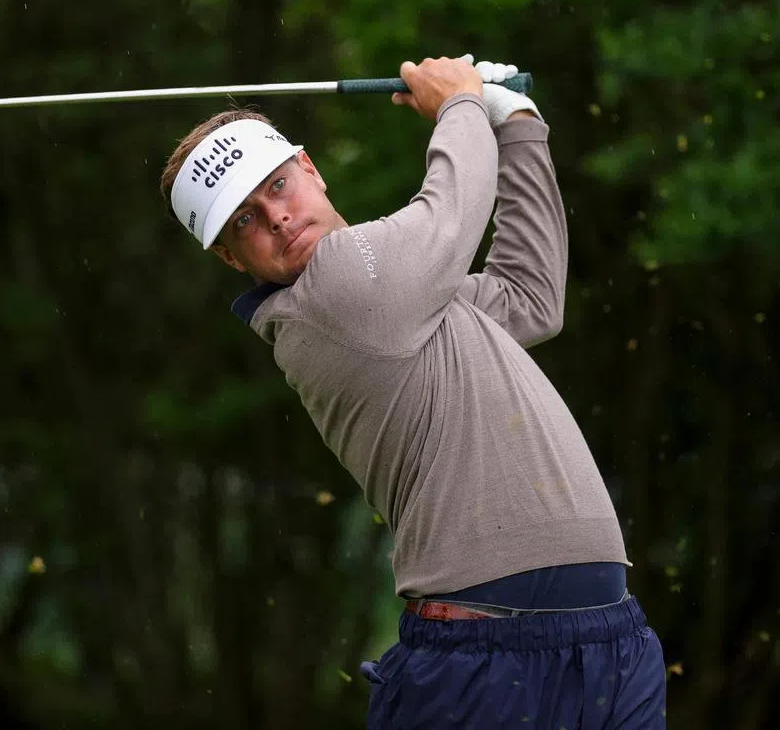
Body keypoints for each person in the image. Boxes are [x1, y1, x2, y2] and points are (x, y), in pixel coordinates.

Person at [159, 55, 667, 729]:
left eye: (278, 185)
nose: (276, 216)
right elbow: (450, 212)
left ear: (310, 168)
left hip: (608, 639)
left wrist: (517, 122)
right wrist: (460, 103)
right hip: (483, 661)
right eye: (245, 221)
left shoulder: (403, 300)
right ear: (231, 258)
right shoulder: (336, 294)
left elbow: (530, 298)